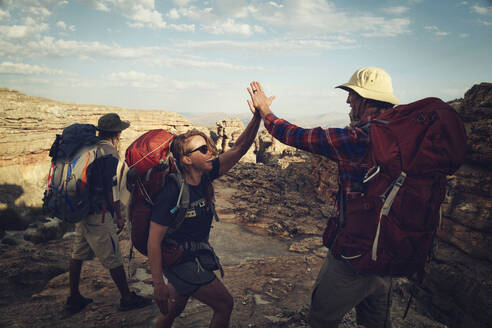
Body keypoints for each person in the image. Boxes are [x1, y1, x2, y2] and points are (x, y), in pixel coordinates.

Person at [247, 67, 400, 328]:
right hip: (391, 254)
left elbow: (297, 136)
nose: (347, 101)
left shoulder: (359, 138)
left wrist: (266, 113)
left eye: (351, 95)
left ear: (364, 99)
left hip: (354, 255)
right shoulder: (403, 138)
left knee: (321, 319)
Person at [148, 110, 264, 328]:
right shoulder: (172, 192)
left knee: (174, 309)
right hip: (181, 260)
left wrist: (257, 117)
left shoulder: (205, 175)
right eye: (203, 149)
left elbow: (238, 149)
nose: (211, 151)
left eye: (209, 146)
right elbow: (154, 240)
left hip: (193, 255)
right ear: (186, 159)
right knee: (224, 304)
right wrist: (157, 284)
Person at [66, 113, 152, 312]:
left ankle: (74, 296)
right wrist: (119, 215)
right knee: (113, 255)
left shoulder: (90, 147)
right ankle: (127, 298)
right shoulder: (109, 152)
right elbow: (110, 188)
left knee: (77, 253)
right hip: (99, 214)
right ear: (117, 132)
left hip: (83, 210)